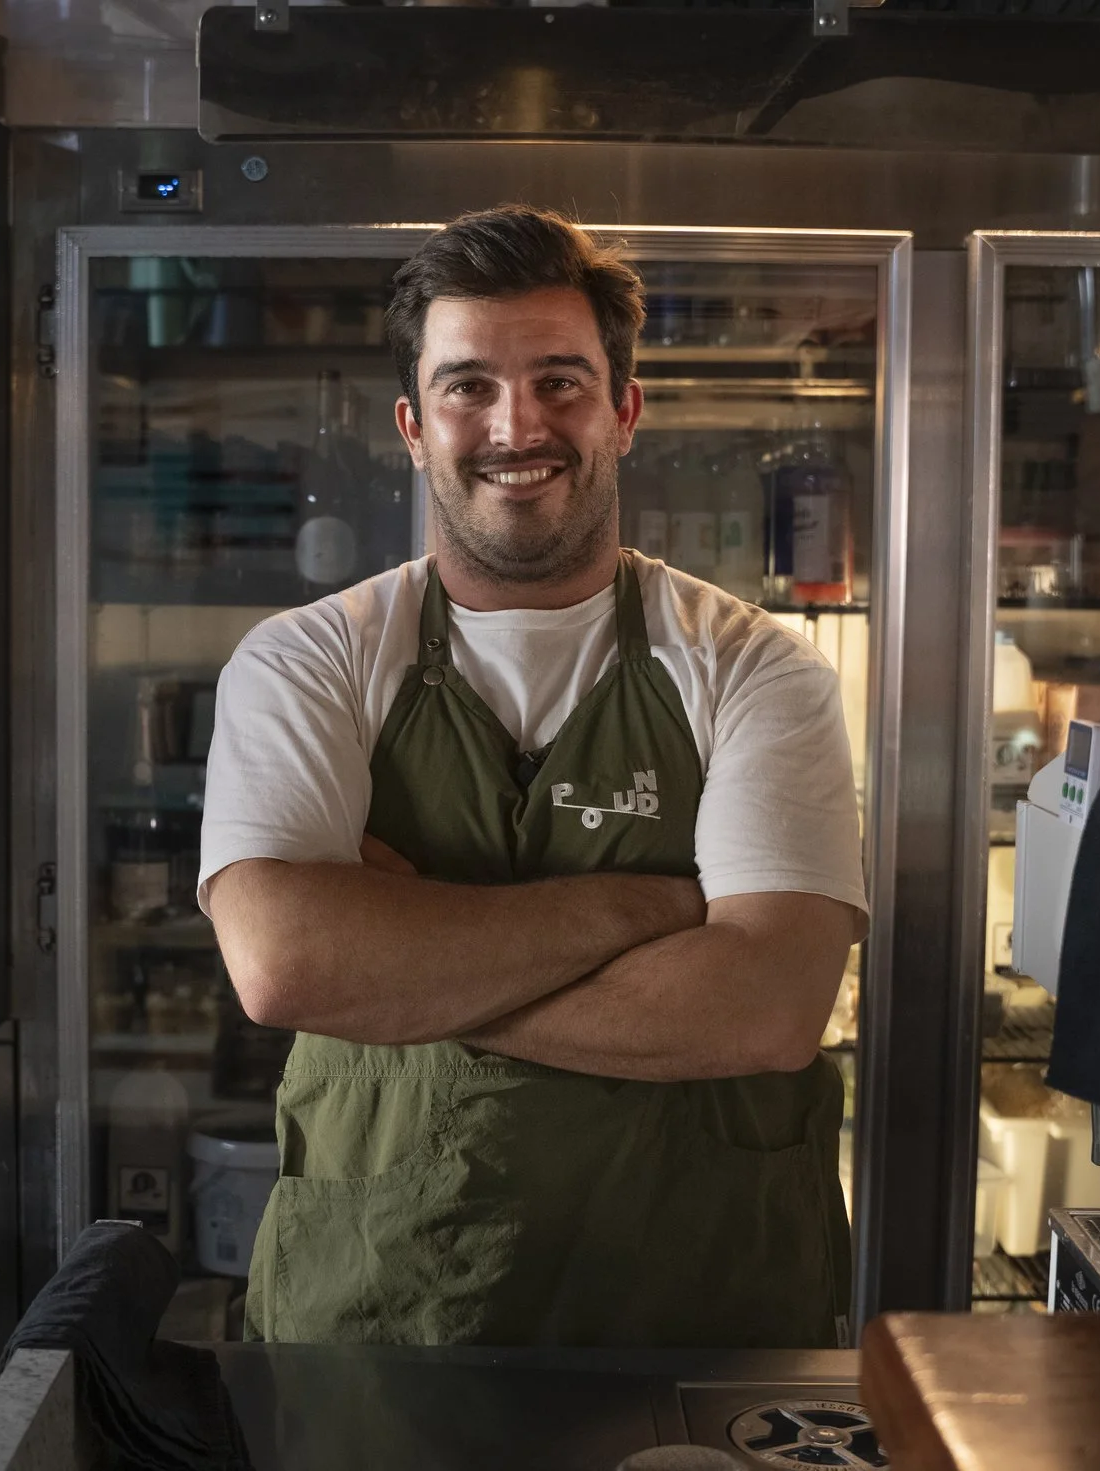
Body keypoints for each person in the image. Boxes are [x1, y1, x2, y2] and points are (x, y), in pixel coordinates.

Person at [198, 205, 867, 1349]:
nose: (517, 424)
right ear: (413, 427)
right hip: (383, 1313)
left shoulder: (757, 669)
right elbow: (287, 964)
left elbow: (765, 1008)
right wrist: (652, 907)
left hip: (703, 1312)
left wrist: (407, 963)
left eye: (561, 380)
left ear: (624, 412)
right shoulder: (310, 659)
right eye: (468, 386)